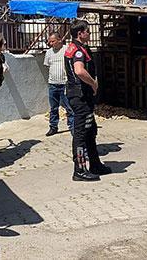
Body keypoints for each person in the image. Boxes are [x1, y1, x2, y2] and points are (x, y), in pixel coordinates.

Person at [65, 20, 111, 181]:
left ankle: (95, 163)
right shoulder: (77, 50)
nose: (90, 34)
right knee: (81, 133)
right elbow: (79, 70)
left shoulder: (79, 48)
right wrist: (93, 83)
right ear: (80, 33)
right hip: (80, 96)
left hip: (83, 97)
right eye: (88, 32)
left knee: (90, 130)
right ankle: (79, 169)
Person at [44, 32, 74, 136]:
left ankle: (72, 127)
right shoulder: (48, 53)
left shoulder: (67, 49)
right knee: (53, 108)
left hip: (65, 84)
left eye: (53, 41)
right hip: (53, 84)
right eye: (50, 41)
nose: (51, 43)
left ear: (59, 40)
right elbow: (48, 66)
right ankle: (53, 127)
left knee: (69, 107)